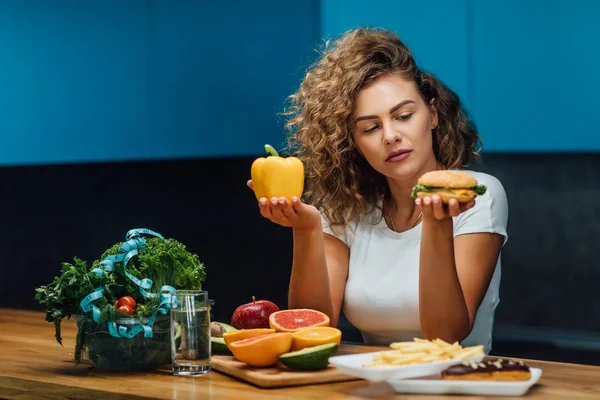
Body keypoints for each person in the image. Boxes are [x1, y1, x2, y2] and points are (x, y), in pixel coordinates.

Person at [247, 28, 508, 353]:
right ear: (354, 143)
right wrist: (307, 228)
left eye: (403, 116)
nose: (390, 135)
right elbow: (313, 326)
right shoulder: (346, 208)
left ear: (433, 114)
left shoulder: (479, 195)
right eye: (370, 127)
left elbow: (445, 335)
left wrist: (438, 222)